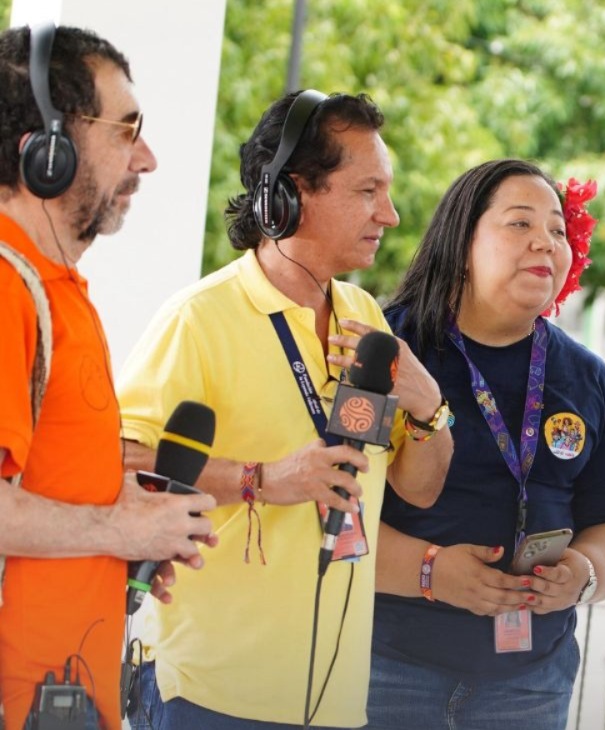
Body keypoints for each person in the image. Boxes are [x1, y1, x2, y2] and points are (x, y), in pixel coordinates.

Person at [116, 90, 452, 729]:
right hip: (210, 696)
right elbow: (120, 463)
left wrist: (429, 404)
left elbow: (418, 487)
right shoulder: (198, 319)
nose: (393, 214)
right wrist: (263, 481)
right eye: (367, 191)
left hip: (336, 700)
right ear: (293, 192)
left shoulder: (368, 320)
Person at [360, 159, 605, 730]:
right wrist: (431, 571)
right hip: (385, 666)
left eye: (557, 231)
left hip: (529, 684)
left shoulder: (589, 380)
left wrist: (584, 573)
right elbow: (335, 510)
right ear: (461, 241)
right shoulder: (390, 355)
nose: (545, 242)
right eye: (520, 224)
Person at [0, 24, 216, 729]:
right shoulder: (5, 287)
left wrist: (134, 521)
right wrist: (118, 528)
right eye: (126, 131)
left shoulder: (54, 289)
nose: (148, 158)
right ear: (50, 151)